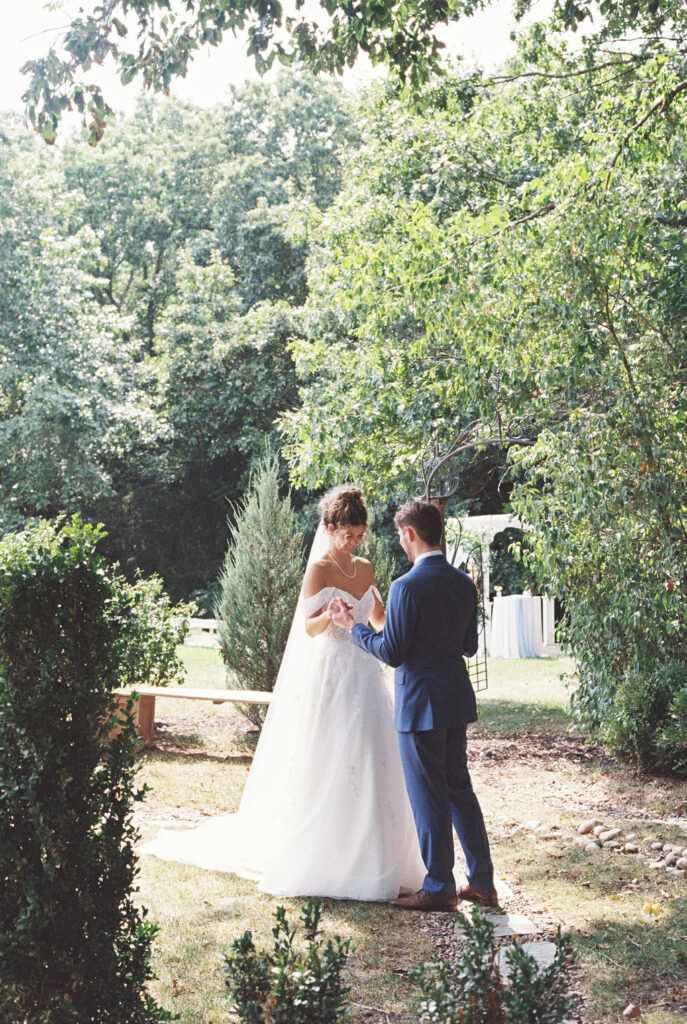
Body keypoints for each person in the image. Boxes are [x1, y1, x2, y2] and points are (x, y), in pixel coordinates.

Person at [140, 484, 424, 901]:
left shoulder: (364, 568)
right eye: (348, 534)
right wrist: (330, 615)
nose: (354, 542)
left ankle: (378, 854)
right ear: (331, 528)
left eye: (360, 535)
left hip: (366, 673)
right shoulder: (319, 569)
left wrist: (401, 624)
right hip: (334, 674)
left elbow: (379, 619)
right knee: (335, 757)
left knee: (373, 755)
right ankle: (332, 855)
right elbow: (307, 627)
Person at [331, 499, 497, 911]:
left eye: (400, 536)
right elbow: (468, 646)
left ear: (409, 533)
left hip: (419, 704)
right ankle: (482, 882)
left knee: (428, 796)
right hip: (455, 700)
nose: (401, 542)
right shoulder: (464, 584)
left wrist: (354, 628)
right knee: (459, 789)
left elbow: (392, 652)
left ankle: (439, 887)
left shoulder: (406, 586)